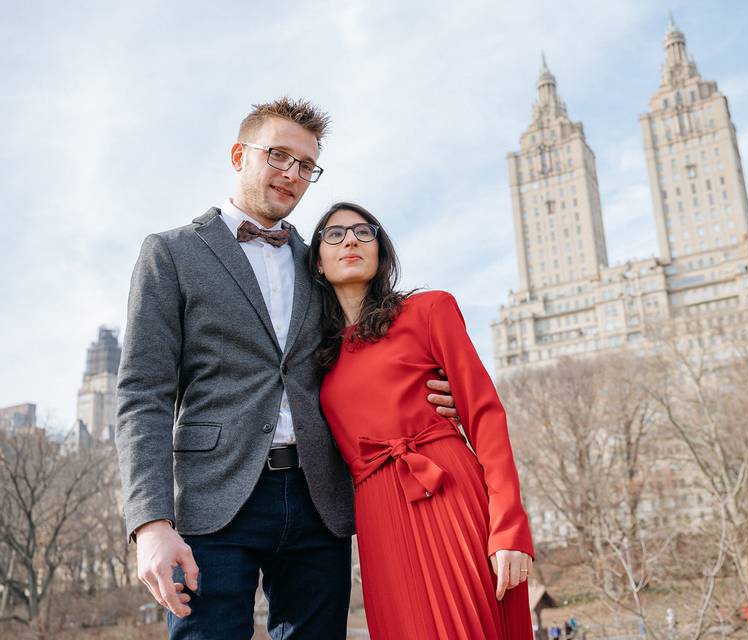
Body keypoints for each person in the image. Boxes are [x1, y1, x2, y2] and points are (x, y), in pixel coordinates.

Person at [115, 99, 456, 639]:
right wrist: (150, 522)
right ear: (238, 155)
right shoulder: (171, 253)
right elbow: (142, 394)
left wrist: (433, 393)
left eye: (306, 166)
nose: (292, 174)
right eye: (279, 156)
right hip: (213, 500)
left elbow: (369, 351)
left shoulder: (320, 259)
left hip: (320, 496)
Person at [311, 202, 535, 639]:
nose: (350, 240)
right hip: (379, 523)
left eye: (363, 231)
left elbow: (485, 415)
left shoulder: (430, 311)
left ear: (382, 253)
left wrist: (509, 529)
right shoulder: (317, 356)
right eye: (333, 235)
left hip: (449, 493)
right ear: (317, 263)